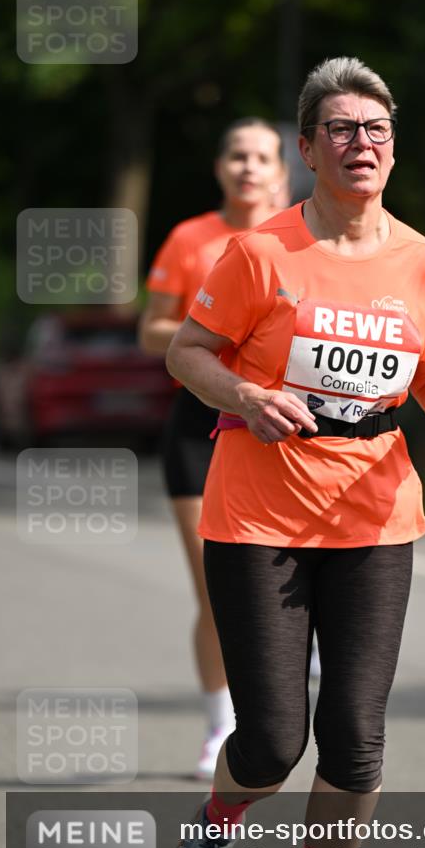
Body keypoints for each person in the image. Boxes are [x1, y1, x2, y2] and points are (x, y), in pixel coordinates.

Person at [158, 57, 425, 848]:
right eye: (340, 129)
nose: (360, 143)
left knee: (353, 738)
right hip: (257, 518)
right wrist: (244, 396)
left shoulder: (423, 260)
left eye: (375, 129)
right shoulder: (260, 251)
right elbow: (186, 351)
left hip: (374, 517)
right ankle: (216, 823)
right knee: (270, 740)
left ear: (392, 147)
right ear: (308, 148)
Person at [138, 118, 287, 779]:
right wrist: (211, 341)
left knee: (291, 577)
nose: (248, 167)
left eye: (261, 157)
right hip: (199, 426)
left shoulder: (302, 240)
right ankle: (219, 724)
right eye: (236, 155)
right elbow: (152, 334)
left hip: (280, 429)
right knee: (214, 588)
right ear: (219, 166)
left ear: (284, 169)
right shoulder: (190, 237)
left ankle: (293, 670)